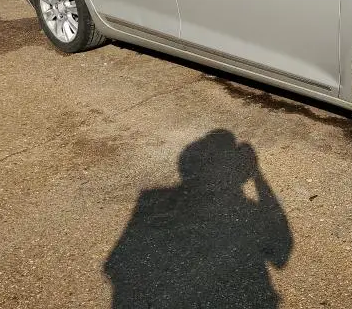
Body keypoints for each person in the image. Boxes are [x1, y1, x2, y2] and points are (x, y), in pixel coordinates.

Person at [104, 129, 293, 308]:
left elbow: (116, 264)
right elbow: (280, 253)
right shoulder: (250, 212)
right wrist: (258, 175)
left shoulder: (152, 200)